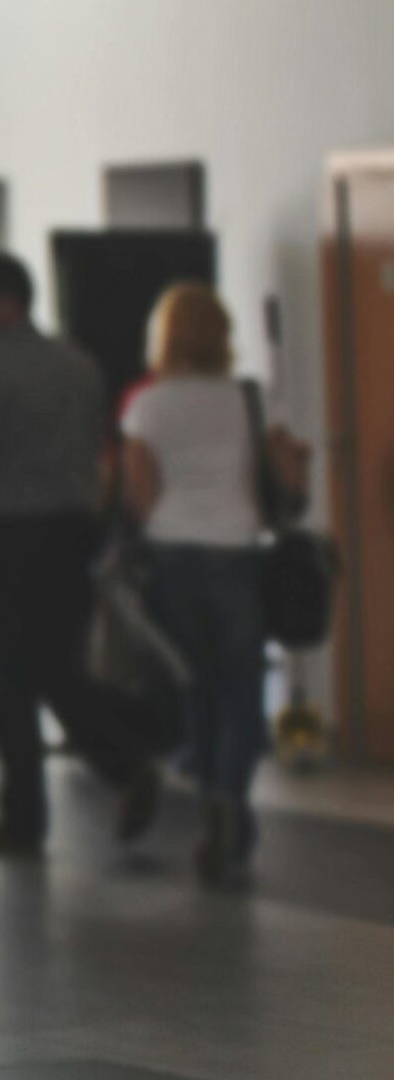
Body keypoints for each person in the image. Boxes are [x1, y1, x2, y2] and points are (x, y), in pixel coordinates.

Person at [0, 252, 159, 858]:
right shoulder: (80, 365)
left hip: (16, 536)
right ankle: (125, 761)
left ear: (3, 300)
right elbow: (102, 453)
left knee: (15, 684)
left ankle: (23, 818)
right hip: (74, 534)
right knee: (60, 669)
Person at [120, 283, 309, 883]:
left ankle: (207, 797)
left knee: (193, 685)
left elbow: (140, 495)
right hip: (237, 554)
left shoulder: (148, 406)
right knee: (241, 687)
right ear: (225, 334)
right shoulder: (250, 399)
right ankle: (231, 798)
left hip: (173, 557)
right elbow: (289, 477)